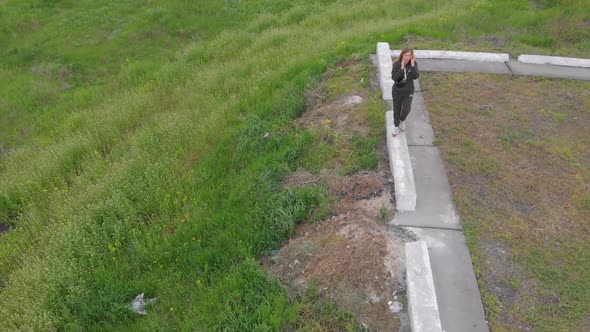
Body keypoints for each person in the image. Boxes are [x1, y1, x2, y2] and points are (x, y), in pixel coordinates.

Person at [391, 47, 419, 137]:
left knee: (406, 109)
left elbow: (415, 76)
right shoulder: (396, 64)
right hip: (397, 91)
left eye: (409, 55)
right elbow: (394, 78)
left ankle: (402, 121)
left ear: (412, 56)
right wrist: (402, 67)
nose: (407, 57)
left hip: (409, 90)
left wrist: (413, 65)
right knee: (397, 109)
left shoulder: (413, 64)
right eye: (405, 55)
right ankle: (396, 126)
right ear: (402, 55)